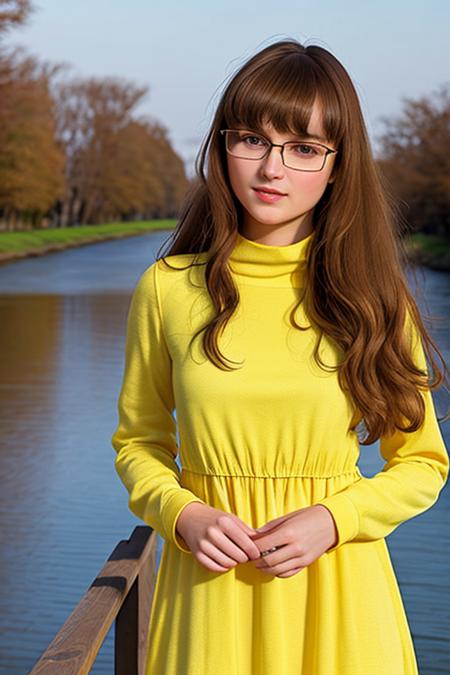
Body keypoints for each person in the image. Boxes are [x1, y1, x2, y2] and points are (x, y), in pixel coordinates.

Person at [111, 38, 449, 675]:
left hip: (340, 593)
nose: (272, 169)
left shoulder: (373, 295)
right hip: (210, 597)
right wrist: (180, 511)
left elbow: (423, 464)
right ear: (223, 147)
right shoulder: (168, 288)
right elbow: (139, 443)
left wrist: (336, 517)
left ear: (336, 165)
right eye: (252, 140)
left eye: (303, 149)